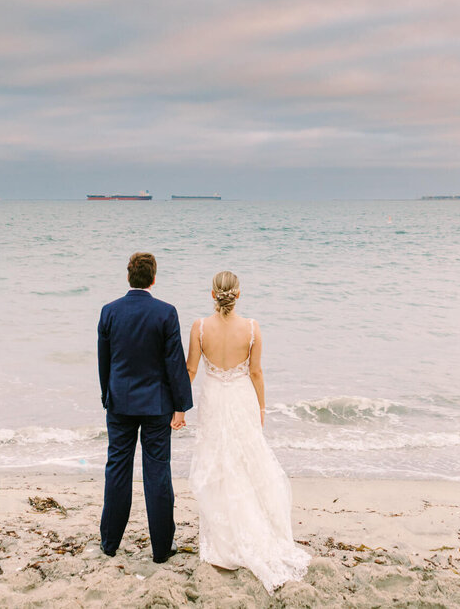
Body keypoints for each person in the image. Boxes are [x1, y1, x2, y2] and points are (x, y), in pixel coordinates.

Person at [186, 270, 310, 592]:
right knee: (246, 461)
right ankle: (252, 533)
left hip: (213, 398)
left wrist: (177, 407)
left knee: (218, 462)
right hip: (241, 398)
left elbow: (191, 370)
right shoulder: (252, 328)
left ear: (212, 294)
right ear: (237, 295)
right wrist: (262, 408)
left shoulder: (199, 327)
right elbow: (255, 372)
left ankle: (222, 542)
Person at [98, 252, 193, 562]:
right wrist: (181, 406)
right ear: (153, 278)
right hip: (156, 405)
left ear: (129, 278)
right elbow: (174, 362)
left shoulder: (109, 312)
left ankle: (110, 542)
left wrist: (106, 397)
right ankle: (162, 548)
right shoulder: (165, 313)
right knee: (157, 473)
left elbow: (105, 361)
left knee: (117, 470)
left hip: (120, 403)